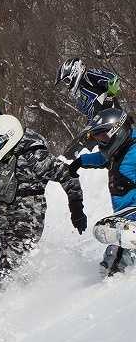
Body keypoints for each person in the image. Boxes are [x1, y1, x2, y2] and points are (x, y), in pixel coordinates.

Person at [0, 114, 87, 287]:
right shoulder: (4, 159)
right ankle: (31, 292)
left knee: (7, 274)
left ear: (9, 137)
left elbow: (68, 175)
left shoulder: (34, 156)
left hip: (26, 223)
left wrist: (76, 207)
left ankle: (6, 299)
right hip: (7, 228)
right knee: (16, 270)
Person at [59, 107, 136, 276]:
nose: (101, 142)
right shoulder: (119, 150)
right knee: (110, 257)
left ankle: (115, 284)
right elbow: (102, 158)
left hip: (132, 221)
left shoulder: (133, 152)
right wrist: (80, 161)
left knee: (113, 260)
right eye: (97, 138)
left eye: (103, 137)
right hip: (126, 220)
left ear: (118, 131)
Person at [56, 58, 123, 120]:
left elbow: (113, 79)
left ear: (74, 71)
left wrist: (108, 96)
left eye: (67, 80)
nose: (67, 84)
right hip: (103, 123)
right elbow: (89, 115)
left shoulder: (90, 74)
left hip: (115, 114)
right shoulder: (79, 95)